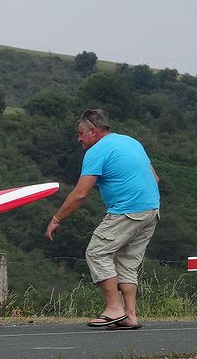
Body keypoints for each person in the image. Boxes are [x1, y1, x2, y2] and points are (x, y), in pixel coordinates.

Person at [45, 109, 159, 330]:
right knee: (126, 262)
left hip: (128, 209)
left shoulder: (97, 150)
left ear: (94, 132)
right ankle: (129, 315)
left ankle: (114, 309)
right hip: (151, 209)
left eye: (81, 133)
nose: (79, 139)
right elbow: (155, 177)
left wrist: (56, 218)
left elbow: (80, 194)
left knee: (97, 252)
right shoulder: (131, 142)